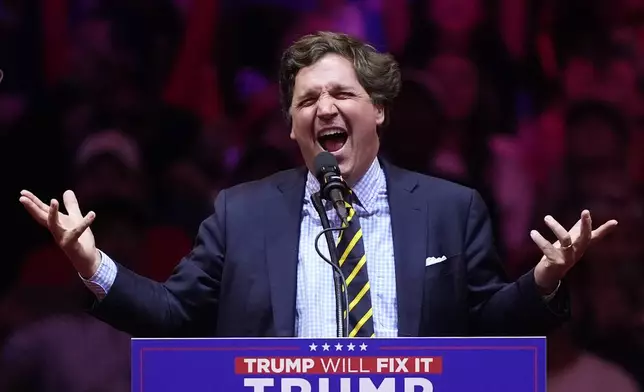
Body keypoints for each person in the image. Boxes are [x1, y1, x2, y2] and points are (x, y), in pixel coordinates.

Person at [20, 31, 617, 338]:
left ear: (378, 110)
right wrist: (93, 263)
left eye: (342, 94)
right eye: (307, 100)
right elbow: (176, 314)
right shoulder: (241, 213)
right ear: (290, 126)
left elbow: (488, 328)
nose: (324, 108)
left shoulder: (450, 208)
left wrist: (544, 280)